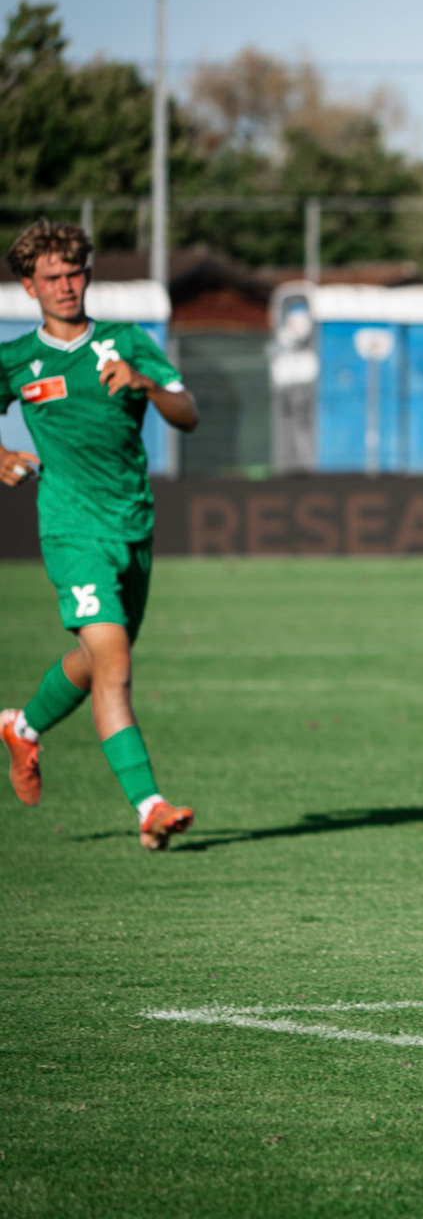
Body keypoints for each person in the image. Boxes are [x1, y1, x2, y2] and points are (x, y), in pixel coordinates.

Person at [0, 221, 200, 849]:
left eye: (75, 272)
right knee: (114, 664)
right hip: (70, 529)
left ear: (88, 274)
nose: (65, 285)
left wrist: (144, 384)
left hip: (133, 526)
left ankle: (23, 726)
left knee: (96, 661)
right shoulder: (15, 360)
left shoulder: (125, 342)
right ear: (28, 285)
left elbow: (187, 412)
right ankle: (150, 806)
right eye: (51, 277)